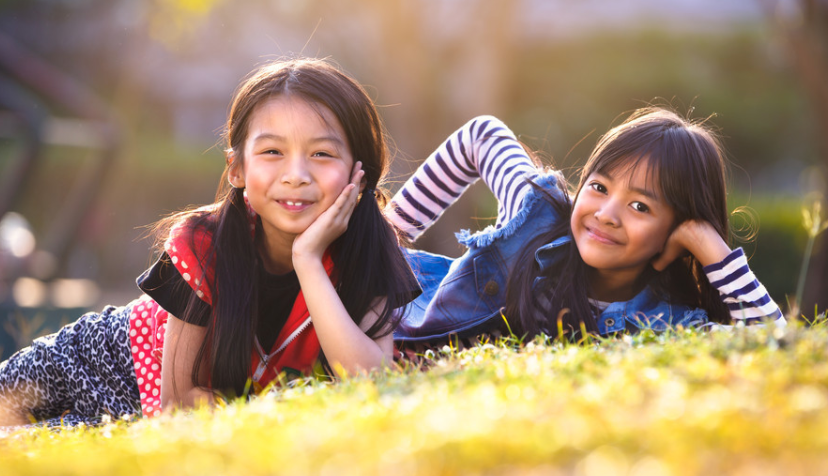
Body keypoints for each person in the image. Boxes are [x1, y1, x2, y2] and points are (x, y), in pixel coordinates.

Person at [0, 58, 418, 427]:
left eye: (322, 154)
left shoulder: (371, 247)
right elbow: (178, 405)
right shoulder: (204, 241)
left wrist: (307, 259)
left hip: (133, 416)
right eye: (272, 151)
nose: (296, 175)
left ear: (358, 173)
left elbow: (372, 382)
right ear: (236, 170)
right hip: (108, 357)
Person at [386, 108, 784, 347]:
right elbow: (480, 135)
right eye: (598, 187)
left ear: (675, 231)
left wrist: (707, 244)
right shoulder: (538, 214)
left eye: (640, 206)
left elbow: (774, 341)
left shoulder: (667, 322)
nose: (607, 213)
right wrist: (383, 241)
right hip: (389, 309)